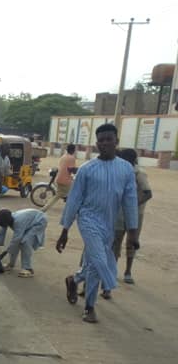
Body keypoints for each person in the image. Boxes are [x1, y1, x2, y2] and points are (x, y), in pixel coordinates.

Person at [56, 124, 138, 323]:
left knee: (93, 264)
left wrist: (134, 232)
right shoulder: (87, 169)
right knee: (100, 259)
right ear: (96, 143)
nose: (104, 143)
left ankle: (79, 289)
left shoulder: (125, 169)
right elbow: (74, 199)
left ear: (116, 141)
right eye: (100, 140)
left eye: (108, 139)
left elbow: (130, 200)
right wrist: (65, 229)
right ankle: (107, 286)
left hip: (109, 224)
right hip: (88, 219)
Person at [111, 148, 152, 284]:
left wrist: (132, 205)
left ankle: (128, 271)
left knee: (131, 242)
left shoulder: (139, 173)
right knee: (116, 241)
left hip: (135, 214)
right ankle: (112, 271)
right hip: (120, 213)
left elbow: (147, 193)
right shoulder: (122, 171)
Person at [0, 208, 48, 276]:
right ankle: (11, 264)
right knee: (16, 244)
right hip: (29, 221)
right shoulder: (6, 219)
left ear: (7, 221)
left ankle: (28, 269)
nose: (1, 225)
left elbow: (16, 240)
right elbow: (1, 233)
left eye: (2, 223)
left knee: (25, 242)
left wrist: (3, 254)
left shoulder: (18, 222)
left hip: (39, 221)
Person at [42, 144, 78, 213]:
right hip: (65, 180)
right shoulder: (71, 158)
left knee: (61, 195)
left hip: (59, 178)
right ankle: (44, 209)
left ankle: (67, 200)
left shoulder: (63, 156)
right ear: (73, 150)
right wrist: (79, 170)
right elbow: (71, 170)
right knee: (70, 194)